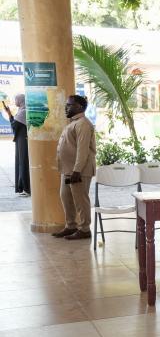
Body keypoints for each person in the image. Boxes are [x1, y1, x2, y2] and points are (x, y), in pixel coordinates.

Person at [52, 95, 96, 240]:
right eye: (66, 104)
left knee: (80, 200)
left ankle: (84, 229)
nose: (66, 107)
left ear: (80, 107)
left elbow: (82, 150)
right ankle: (71, 226)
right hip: (68, 169)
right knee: (66, 197)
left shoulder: (83, 124)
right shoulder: (73, 123)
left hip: (79, 170)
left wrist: (77, 170)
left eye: (70, 105)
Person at [2, 94, 30, 196]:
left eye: (16, 99)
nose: (15, 101)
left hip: (23, 140)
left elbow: (14, 125)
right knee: (21, 162)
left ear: (21, 100)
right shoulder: (22, 111)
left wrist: (10, 114)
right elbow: (15, 124)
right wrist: (9, 113)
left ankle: (27, 188)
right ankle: (23, 187)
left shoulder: (23, 112)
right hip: (20, 140)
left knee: (23, 162)